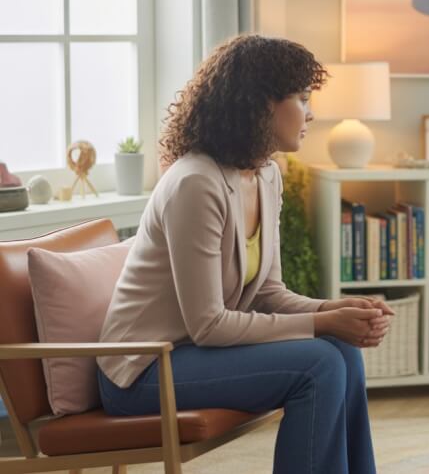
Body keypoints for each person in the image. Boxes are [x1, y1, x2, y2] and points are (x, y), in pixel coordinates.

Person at [97, 35, 391, 474]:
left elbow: (268, 292)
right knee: (319, 363)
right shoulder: (196, 183)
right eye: (301, 98)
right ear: (260, 105)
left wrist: (333, 309)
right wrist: (321, 322)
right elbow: (209, 324)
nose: (311, 113)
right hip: (145, 371)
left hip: (194, 354)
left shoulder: (266, 175)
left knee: (342, 352)